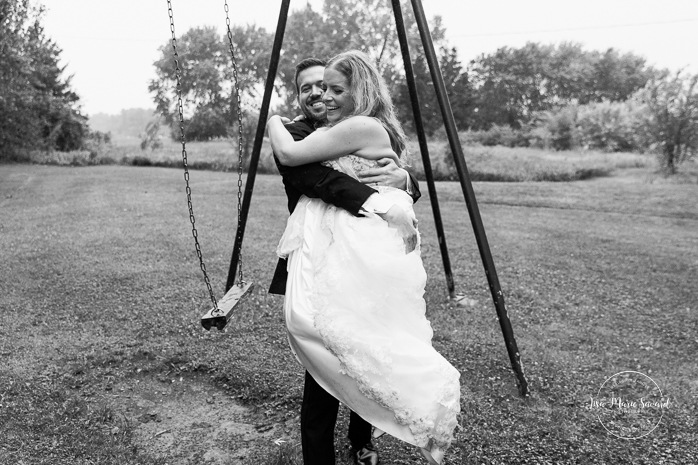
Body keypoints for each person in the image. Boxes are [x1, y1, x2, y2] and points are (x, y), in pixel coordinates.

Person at [268, 50, 460, 464]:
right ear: (298, 95)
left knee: (359, 344)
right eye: (311, 89)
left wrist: (404, 179)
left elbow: (400, 180)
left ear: (357, 90)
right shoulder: (297, 130)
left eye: (332, 87)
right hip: (322, 257)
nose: (321, 95)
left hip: (355, 254)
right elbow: (317, 178)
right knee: (325, 359)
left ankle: (363, 439)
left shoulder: (352, 125)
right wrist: (379, 198)